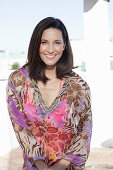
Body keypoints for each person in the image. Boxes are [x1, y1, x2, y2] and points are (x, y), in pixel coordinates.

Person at [7, 17, 92, 170]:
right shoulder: (18, 81)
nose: (50, 49)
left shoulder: (78, 86)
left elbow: (84, 131)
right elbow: (21, 129)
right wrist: (42, 166)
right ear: (36, 44)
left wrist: (59, 166)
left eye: (57, 42)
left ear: (65, 46)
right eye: (44, 42)